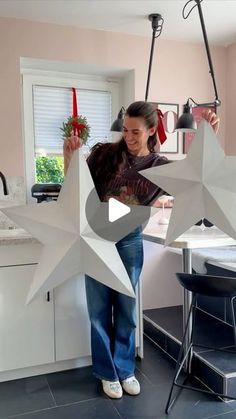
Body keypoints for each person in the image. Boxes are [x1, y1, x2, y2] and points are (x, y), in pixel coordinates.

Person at [63, 101, 219, 399]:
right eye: (125, 130)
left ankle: (125, 369)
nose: (129, 137)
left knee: (126, 308)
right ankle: (106, 373)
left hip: (130, 240)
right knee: (98, 311)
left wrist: (208, 139)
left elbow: (197, 178)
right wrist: (69, 156)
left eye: (136, 131)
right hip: (95, 239)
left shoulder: (159, 166)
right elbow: (75, 186)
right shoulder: (104, 155)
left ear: (151, 131)